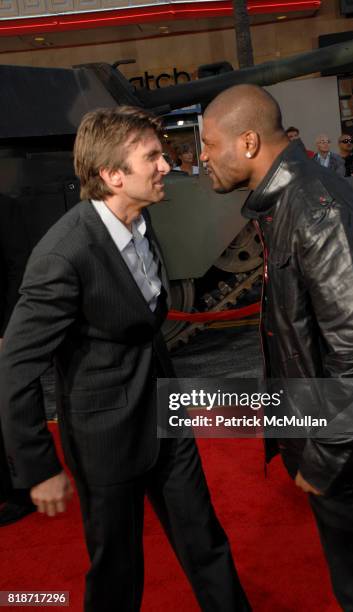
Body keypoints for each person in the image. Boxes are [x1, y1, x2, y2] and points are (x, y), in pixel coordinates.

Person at [0, 107, 250, 612]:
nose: (166, 164)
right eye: (152, 156)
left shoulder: (140, 220)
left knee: (205, 542)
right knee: (117, 573)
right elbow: (15, 370)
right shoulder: (62, 255)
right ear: (113, 175)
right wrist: (38, 468)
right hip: (105, 439)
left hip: (166, 416)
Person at [200, 83, 353, 612]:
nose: (200, 158)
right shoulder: (288, 201)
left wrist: (321, 462)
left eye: (207, 144)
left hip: (349, 448)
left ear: (247, 142)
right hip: (339, 438)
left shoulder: (316, 208)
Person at [0, 194, 36, 525]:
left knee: (12, 411)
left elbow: (18, 267)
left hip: (2, 328)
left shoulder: (6, 207)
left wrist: (8, 328)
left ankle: (22, 490)